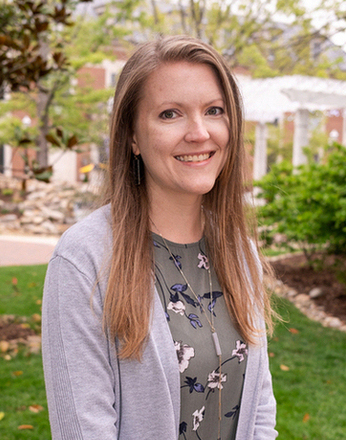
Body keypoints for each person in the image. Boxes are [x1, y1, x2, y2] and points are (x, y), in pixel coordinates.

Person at [42, 35, 278, 440]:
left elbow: (259, 410)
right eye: (170, 114)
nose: (200, 133)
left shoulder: (241, 253)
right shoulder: (84, 261)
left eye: (214, 110)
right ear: (132, 137)